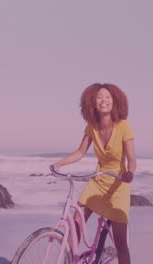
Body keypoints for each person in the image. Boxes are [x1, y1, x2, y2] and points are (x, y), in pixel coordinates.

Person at [52, 83, 136, 264]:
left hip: (119, 184)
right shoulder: (92, 126)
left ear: (115, 102)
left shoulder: (123, 126)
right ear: (92, 102)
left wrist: (130, 172)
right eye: (99, 97)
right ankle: (69, 258)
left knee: (121, 243)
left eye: (107, 98)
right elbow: (80, 152)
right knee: (76, 220)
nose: (103, 101)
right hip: (98, 180)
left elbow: (132, 158)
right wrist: (60, 163)